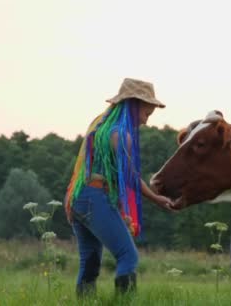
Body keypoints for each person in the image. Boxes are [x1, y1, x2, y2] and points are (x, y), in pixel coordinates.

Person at [64, 78, 174, 297]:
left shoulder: (102, 127)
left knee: (90, 262)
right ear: (133, 105)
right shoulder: (120, 136)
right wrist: (156, 198)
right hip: (95, 197)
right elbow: (130, 176)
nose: (146, 121)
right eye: (146, 114)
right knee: (128, 256)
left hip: (79, 197)